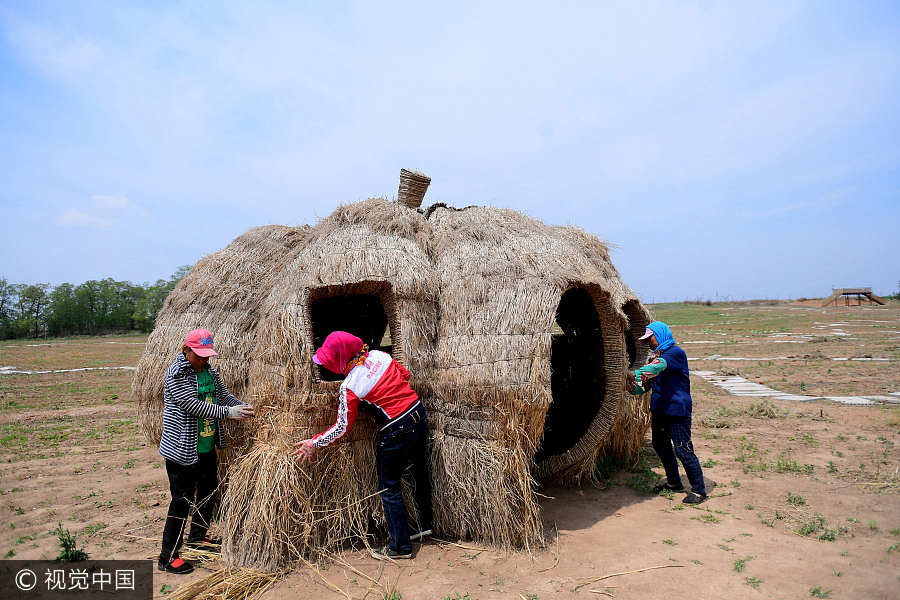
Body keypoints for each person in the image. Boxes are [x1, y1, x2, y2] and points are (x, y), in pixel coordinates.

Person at [291, 331, 433, 561]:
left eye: (329, 361)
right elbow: (405, 376)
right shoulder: (380, 355)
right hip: (417, 412)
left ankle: (400, 546)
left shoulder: (350, 386)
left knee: (389, 486)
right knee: (418, 470)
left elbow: (342, 427)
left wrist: (314, 442)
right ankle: (424, 524)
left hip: (396, 429)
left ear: (339, 359)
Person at [158, 328, 254, 574]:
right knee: (182, 501)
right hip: (182, 449)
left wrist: (241, 406)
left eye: (207, 355)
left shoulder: (210, 371)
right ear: (186, 350)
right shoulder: (176, 374)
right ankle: (168, 557)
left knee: (208, 491)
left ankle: (198, 537)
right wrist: (229, 413)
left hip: (206, 445)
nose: (204, 359)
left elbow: (223, 397)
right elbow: (194, 406)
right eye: (199, 355)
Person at [626, 320, 707, 504]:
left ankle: (699, 490)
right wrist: (632, 389)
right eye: (647, 340)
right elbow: (647, 386)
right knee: (660, 445)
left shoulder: (675, 353)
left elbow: (658, 368)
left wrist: (632, 374)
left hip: (677, 411)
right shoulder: (656, 358)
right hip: (661, 410)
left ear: (661, 335)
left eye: (651, 339)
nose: (649, 343)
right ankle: (674, 483)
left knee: (683, 449)